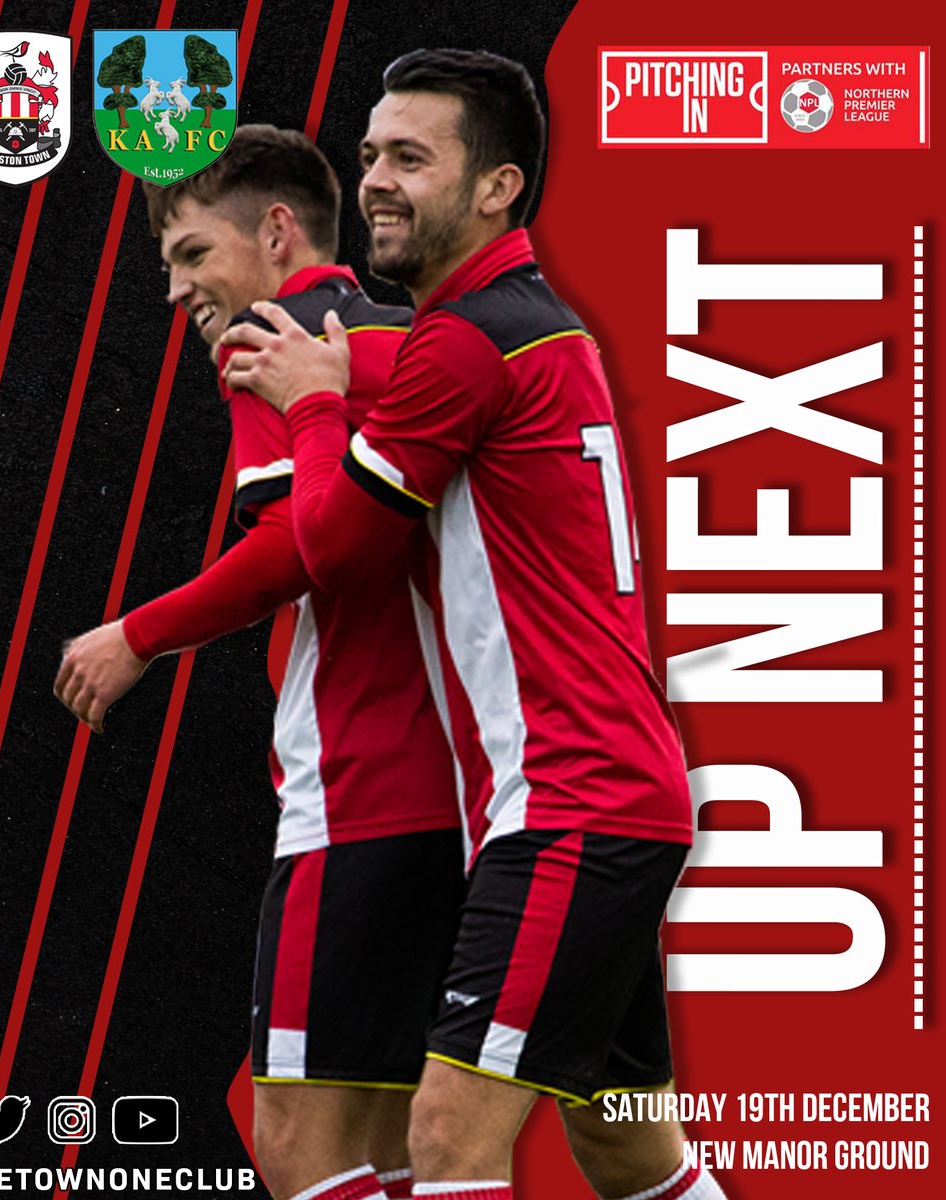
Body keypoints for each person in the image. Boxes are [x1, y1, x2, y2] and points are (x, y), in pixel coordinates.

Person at [221, 51, 727, 1200]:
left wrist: (313, 404)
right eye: (369, 156)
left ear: (498, 188)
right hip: (613, 795)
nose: (377, 181)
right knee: (626, 1147)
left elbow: (333, 550)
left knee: (449, 1139)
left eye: (411, 158)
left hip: (569, 804)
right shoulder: (535, 329)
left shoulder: (466, 342)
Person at [54, 125, 465, 1200]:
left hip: (360, 787)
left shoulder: (272, 342)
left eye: (193, 253)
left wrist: (134, 636)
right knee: (391, 1143)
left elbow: (290, 544)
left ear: (279, 233)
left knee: (292, 1144)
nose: (176, 290)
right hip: (465, 793)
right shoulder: (416, 341)